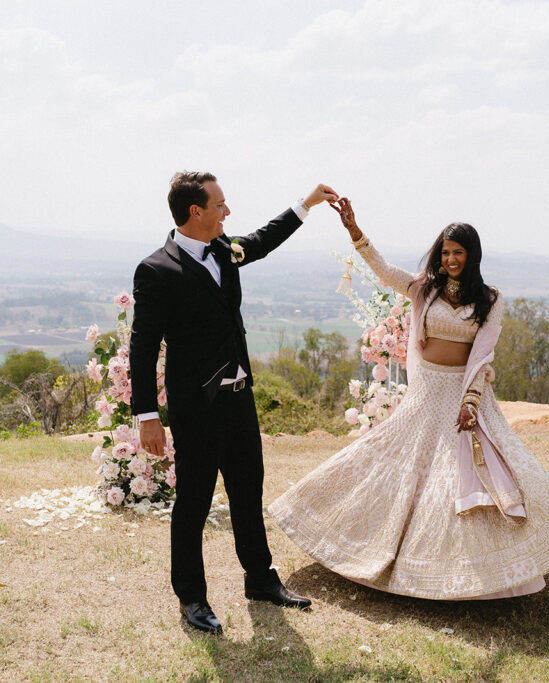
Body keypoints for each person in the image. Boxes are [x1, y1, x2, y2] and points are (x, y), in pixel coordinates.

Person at [269, 198, 549, 600]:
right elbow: (384, 271)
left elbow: (483, 356)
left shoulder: (491, 299)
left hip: (463, 395)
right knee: (393, 464)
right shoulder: (424, 290)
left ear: (471, 255)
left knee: (471, 475)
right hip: (425, 393)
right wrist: (354, 231)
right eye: (445, 252)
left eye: (457, 252)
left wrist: (471, 403)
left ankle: (483, 573)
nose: (450, 259)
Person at [129, 171, 339, 634]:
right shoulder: (155, 270)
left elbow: (262, 239)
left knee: (248, 492)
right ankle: (192, 597)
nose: (228, 211)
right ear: (195, 212)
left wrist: (305, 205)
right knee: (195, 502)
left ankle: (260, 581)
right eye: (220, 204)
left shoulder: (225, 250)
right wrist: (148, 416)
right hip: (196, 409)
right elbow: (142, 347)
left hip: (240, 401)